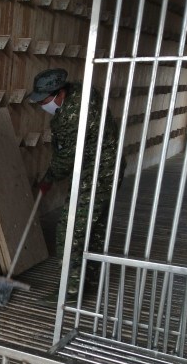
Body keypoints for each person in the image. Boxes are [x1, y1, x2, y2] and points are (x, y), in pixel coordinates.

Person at [29, 68, 126, 303]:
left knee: (70, 229)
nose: (42, 105)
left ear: (60, 93)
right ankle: (88, 283)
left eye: (44, 100)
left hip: (96, 175)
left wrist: (48, 179)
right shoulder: (83, 92)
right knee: (95, 228)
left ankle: (70, 290)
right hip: (111, 167)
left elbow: (65, 159)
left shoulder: (70, 118)